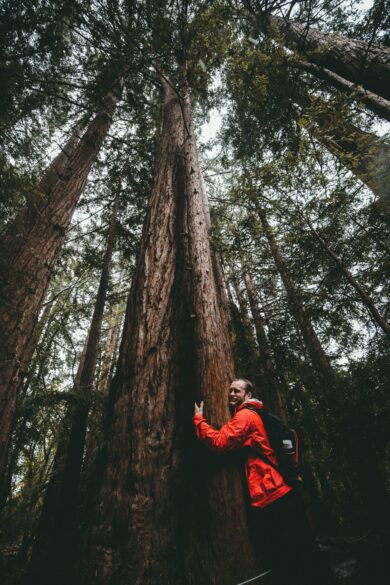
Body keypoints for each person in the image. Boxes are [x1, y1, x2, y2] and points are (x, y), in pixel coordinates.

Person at [193, 378, 334, 585]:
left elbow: (220, 442)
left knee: (290, 556)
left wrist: (199, 420)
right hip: (280, 491)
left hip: (272, 495)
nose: (231, 394)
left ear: (248, 395)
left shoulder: (245, 416)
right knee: (302, 551)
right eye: (230, 390)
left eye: (237, 391)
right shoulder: (256, 414)